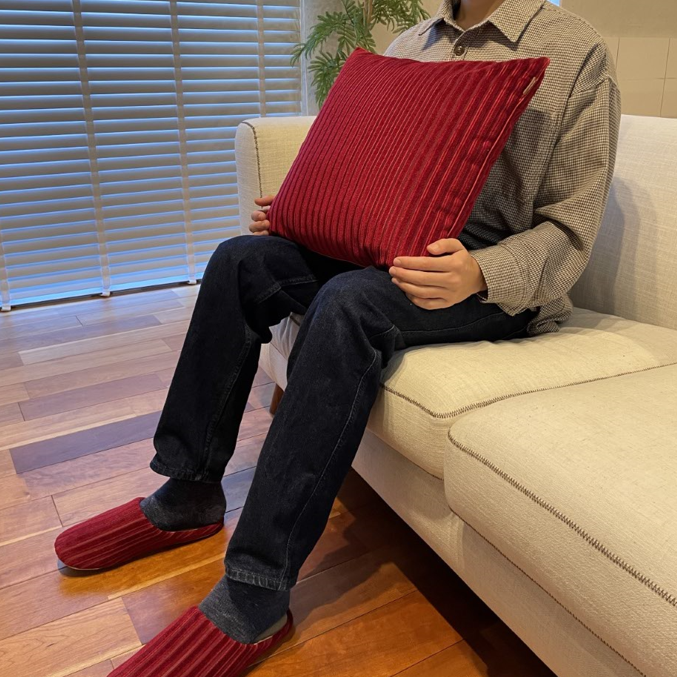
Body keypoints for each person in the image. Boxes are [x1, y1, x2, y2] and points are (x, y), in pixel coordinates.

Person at [53, 0, 621, 674]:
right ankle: (189, 491)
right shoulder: (410, 44)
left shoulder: (577, 53)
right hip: (391, 251)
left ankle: (257, 585)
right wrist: (304, 208)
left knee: (348, 302)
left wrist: (478, 272)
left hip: (489, 286)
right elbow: (368, 171)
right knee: (240, 260)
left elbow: (570, 232)